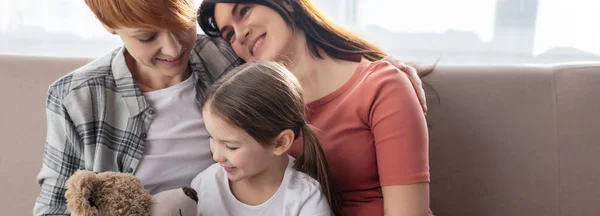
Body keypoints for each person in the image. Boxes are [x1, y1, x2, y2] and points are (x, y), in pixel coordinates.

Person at [198, 0, 433, 215]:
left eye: (245, 10)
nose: (240, 34)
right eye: (228, 35)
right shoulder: (248, 112)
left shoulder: (382, 85)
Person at [33, 0, 241, 215]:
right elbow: (54, 208)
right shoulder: (76, 97)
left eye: (181, 24)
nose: (174, 49)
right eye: (147, 37)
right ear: (108, 24)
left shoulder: (228, 57)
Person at [192, 61, 341, 216]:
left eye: (231, 146)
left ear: (280, 143)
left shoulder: (306, 198)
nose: (216, 156)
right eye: (212, 137)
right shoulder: (204, 187)